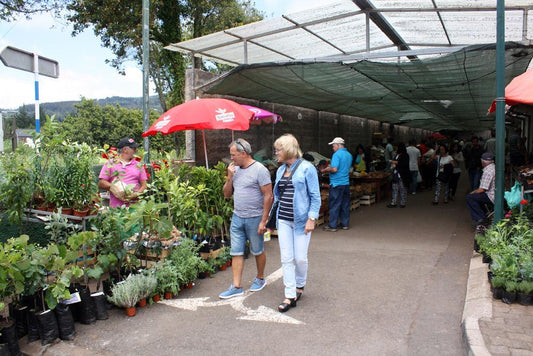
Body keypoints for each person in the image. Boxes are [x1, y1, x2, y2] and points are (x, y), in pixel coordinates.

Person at [270, 134, 321, 313]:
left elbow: (315, 197)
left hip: (301, 221)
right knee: (286, 258)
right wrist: (271, 218)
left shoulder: (307, 169)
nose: (276, 153)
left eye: (278, 149)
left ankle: (300, 285)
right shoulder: (279, 170)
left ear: (289, 150)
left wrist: (311, 219)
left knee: (300, 258)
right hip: (283, 220)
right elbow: (278, 196)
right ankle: (290, 294)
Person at [219, 139, 273, 299]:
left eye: (233, 155)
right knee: (236, 252)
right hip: (237, 217)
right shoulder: (234, 170)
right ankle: (236, 286)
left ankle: (260, 277)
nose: (231, 158)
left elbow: (268, 195)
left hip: (255, 218)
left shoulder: (259, 170)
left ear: (243, 153)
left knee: (258, 250)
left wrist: (264, 220)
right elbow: (227, 195)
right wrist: (229, 177)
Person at [98, 138, 147, 207]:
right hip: (116, 208)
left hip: (135, 208)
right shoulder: (110, 163)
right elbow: (101, 183)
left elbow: (144, 185)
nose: (136, 150)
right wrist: (114, 187)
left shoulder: (139, 165)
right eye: (133, 148)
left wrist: (135, 195)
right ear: (125, 149)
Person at [321, 137, 353, 232]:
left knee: (334, 204)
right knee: (345, 204)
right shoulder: (349, 155)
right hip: (346, 183)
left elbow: (334, 169)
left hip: (336, 183)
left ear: (338, 145)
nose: (333, 147)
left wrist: (326, 169)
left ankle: (333, 225)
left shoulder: (336, 155)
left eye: (333, 145)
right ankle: (344, 224)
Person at [466, 152, 496, 228]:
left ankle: (481, 218)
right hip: (494, 193)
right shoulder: (493, 167)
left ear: (483, 162)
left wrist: (473, 192)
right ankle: (485, 213)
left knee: (470, 197)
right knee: (477, 197)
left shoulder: (487, 172)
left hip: (491, 196)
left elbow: (482, 189)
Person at [387, 142, 411, 208]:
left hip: (402, 174)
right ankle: (393, 202)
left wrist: (394, 162)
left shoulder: (405, 155)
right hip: (396, 174)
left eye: (397, 147)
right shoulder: (397, 155)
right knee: (394, 188)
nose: (396, 148)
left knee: (402, 189)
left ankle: (403, 203)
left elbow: (404, 164)